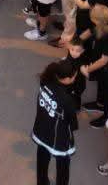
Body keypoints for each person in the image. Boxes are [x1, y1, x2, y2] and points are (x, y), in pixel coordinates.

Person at [32, 57, 81, 185]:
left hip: (41, 129)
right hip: (58, 138)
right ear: (67, 79)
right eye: (74, 76)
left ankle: (41, 181)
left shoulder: (45, 82)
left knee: (42, 155)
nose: (75, 78)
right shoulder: (67, 100)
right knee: (63, 165)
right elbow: (73, 124)